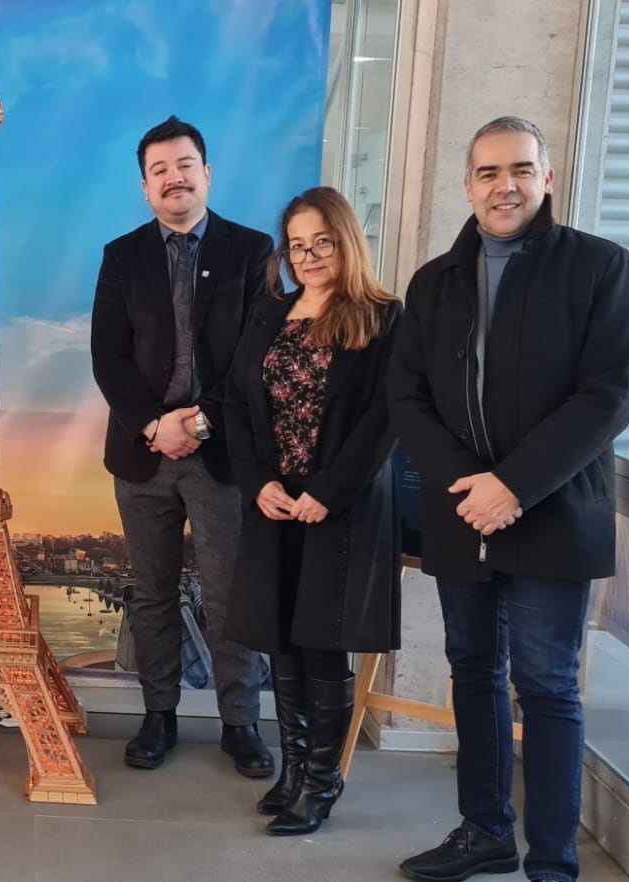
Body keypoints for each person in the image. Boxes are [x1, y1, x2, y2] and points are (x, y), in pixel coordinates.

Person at [389, 116, 629, 882]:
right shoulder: (433, 281)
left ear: (547, 177)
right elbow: (408, 397)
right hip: (462, 510)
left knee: (546, 683)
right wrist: (471, 487)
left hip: (554, 510)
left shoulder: (601, 267)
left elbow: (609, 395)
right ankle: (484, 832)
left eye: (521, 169)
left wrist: (515, 485)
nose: (506, 185)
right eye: (489, 172)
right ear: (466, 186)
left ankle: (554, 865)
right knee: (471, 668)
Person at [90, 116, 276, 775]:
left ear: (207, 174)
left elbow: (259, 357)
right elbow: (108, 358)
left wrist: (197, 425)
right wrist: (153, 425)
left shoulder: (253, 252)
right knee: (152, 591)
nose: (175, 177)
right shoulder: (121, 256)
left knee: (230, 594)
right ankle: (158, 715)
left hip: (222, 452)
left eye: (185, 164)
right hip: (142, 454)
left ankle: (241, 723)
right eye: (160, 169)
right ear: (145, 187)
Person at [223, 186, 402, 836]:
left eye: (321, 241)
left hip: (338, 511)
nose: (308, 255)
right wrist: (257, 482)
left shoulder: (382, 317)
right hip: (275, 506)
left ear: (345, 241)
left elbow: (385, 418)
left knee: (322, 648)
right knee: (284, 647)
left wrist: (329, 489)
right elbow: (238, 405)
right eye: (297, 244)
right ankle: (295, 770)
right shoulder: (272, 314)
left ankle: (322, 784)